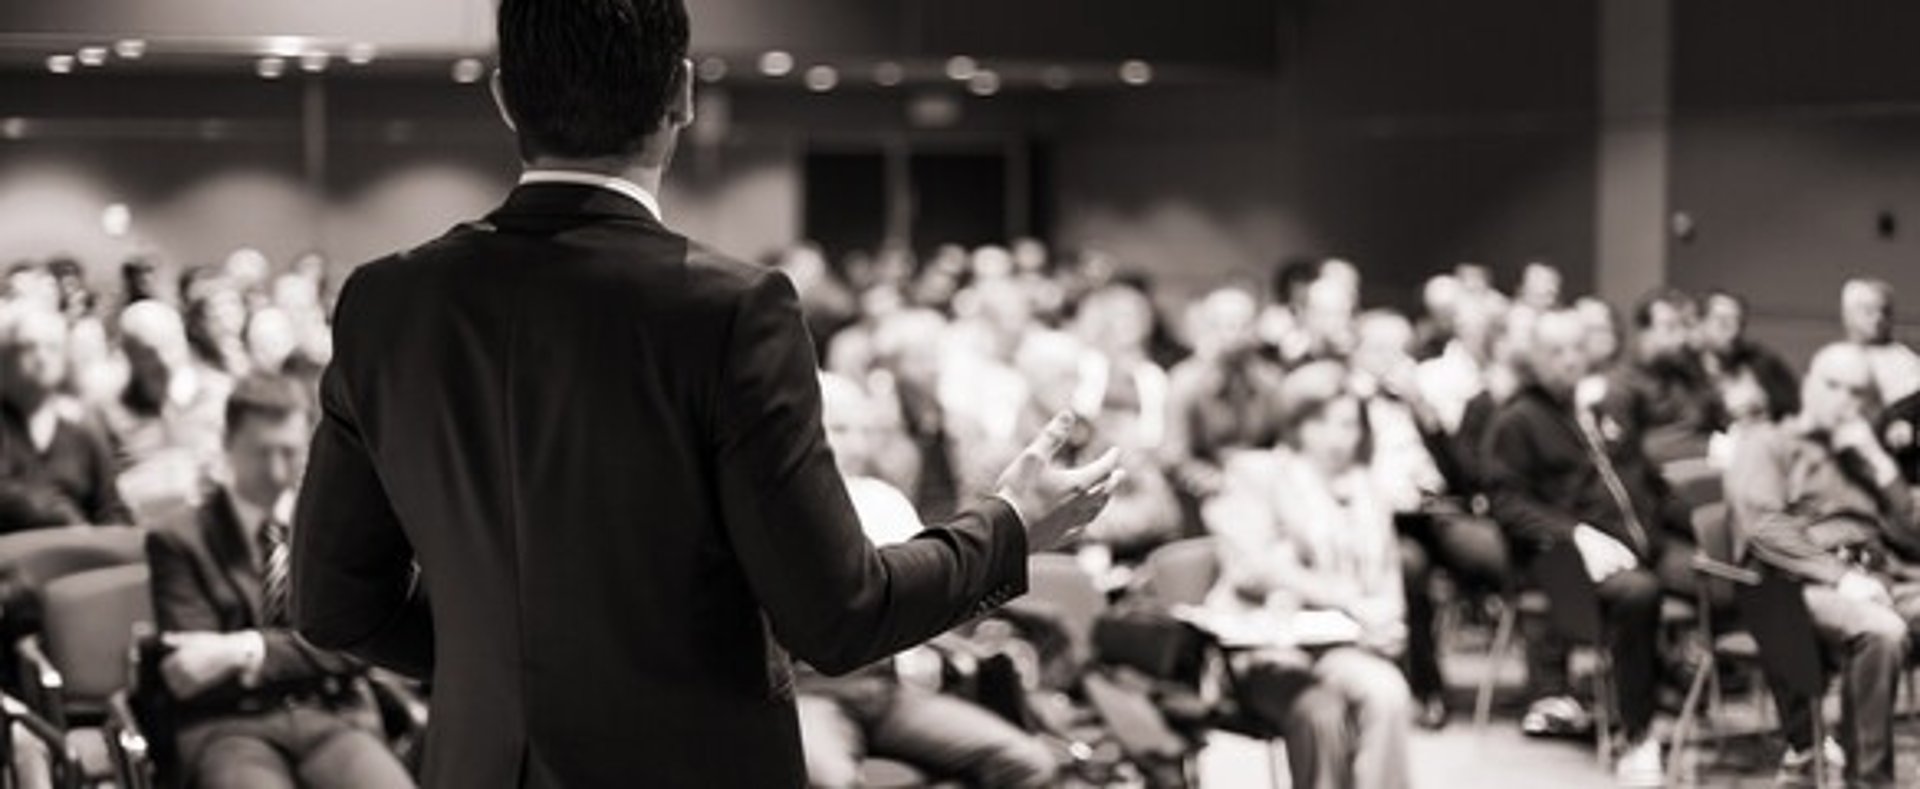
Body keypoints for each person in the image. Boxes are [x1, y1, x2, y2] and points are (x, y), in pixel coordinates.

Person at [289, 2, 1122, 786]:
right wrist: (1007, 526)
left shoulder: (386, 302)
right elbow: (839, 615)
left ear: (505, 99)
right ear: (683, 92)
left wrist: (506, 663)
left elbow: (330, 606)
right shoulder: (730, 311)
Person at [147, 375, 413, 789]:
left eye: (288, 453)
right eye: (259, 453)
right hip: (231, 728)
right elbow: (190, 670)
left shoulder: (334, 527)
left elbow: (356, 648)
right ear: (228, 443)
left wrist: (243, 649)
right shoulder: (177, 539)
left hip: (332, 716)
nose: (274, 471)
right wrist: (306, 651)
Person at [795, 374, 1057, 788]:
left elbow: (932, 592)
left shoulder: (882, 498)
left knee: (1029, 762)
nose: (859, 445)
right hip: (810, 690)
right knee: (833, 783)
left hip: (884, 687)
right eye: (841, 430)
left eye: (867, 431)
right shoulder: (781, 511)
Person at [1482, 308, 1700, 787]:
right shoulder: (1517, 420)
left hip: (1645, 544)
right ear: (1533, 358)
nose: (1568, 361)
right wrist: (1574, 534)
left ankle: (1794, 736)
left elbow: (1647, 482)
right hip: (1564, 564)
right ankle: (1635, 734)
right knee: (1638, 593)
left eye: (1577, 349)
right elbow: (1507, 504)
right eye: (1555, 352)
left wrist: (1702, 530)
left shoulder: (1603, 409)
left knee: (1730, 579)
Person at [1203, 361, 1413, 789]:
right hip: (1270, 646)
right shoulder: (1258, 474)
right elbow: (1252, 568)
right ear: (1295, 423)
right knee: (1330, 709)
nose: (1337, 438)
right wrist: (1344, 599)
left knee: (1386, 693)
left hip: (1348, 644)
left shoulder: (1367, 488)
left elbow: (1388, 573)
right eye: (1321, 423)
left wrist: (1390, 620)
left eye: (1348, 425)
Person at [1727, 343, 1920, 788]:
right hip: (1799, 584)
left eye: (1858, 393)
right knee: (1882, 631)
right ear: (1810, 384)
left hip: (1880, 572)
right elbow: (1764, 527)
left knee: (1883, 619)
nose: (1846, 402)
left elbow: (1910, 533)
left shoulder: (1858, 454)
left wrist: (1875, 460)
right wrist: (1842, 577)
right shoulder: (1768, 442)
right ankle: (1868, 781)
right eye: (1835, 386)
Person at [0, 304, 127, 531]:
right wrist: (63, 519)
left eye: (52, 347)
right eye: (27, 347)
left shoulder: (83, 428)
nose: (41, 357)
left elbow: (111, 509)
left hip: (80, 559)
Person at [1607, 289, 1722, 463]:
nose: (1682, 337)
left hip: (1701, 474)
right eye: (1671, 327)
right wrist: (1707, 447)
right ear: (1644, 331)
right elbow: (1633, 452)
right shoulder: (1620, 382)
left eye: (1686, 326)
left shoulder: (1686, 372)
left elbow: (1710, 424)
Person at [1696, 290, 1798, 422]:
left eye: (1738, 322)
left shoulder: (1763, 362)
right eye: (1723, 322)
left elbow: (1791, 412)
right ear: (1701, 323)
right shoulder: (1684, 369)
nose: (1733, 331)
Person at [1841, 278, 1920, 405]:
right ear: (1848, 314)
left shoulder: (1906, 362)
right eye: (1869, 310)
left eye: (1885, 311)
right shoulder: (1834, 357)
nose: (1878, 318)